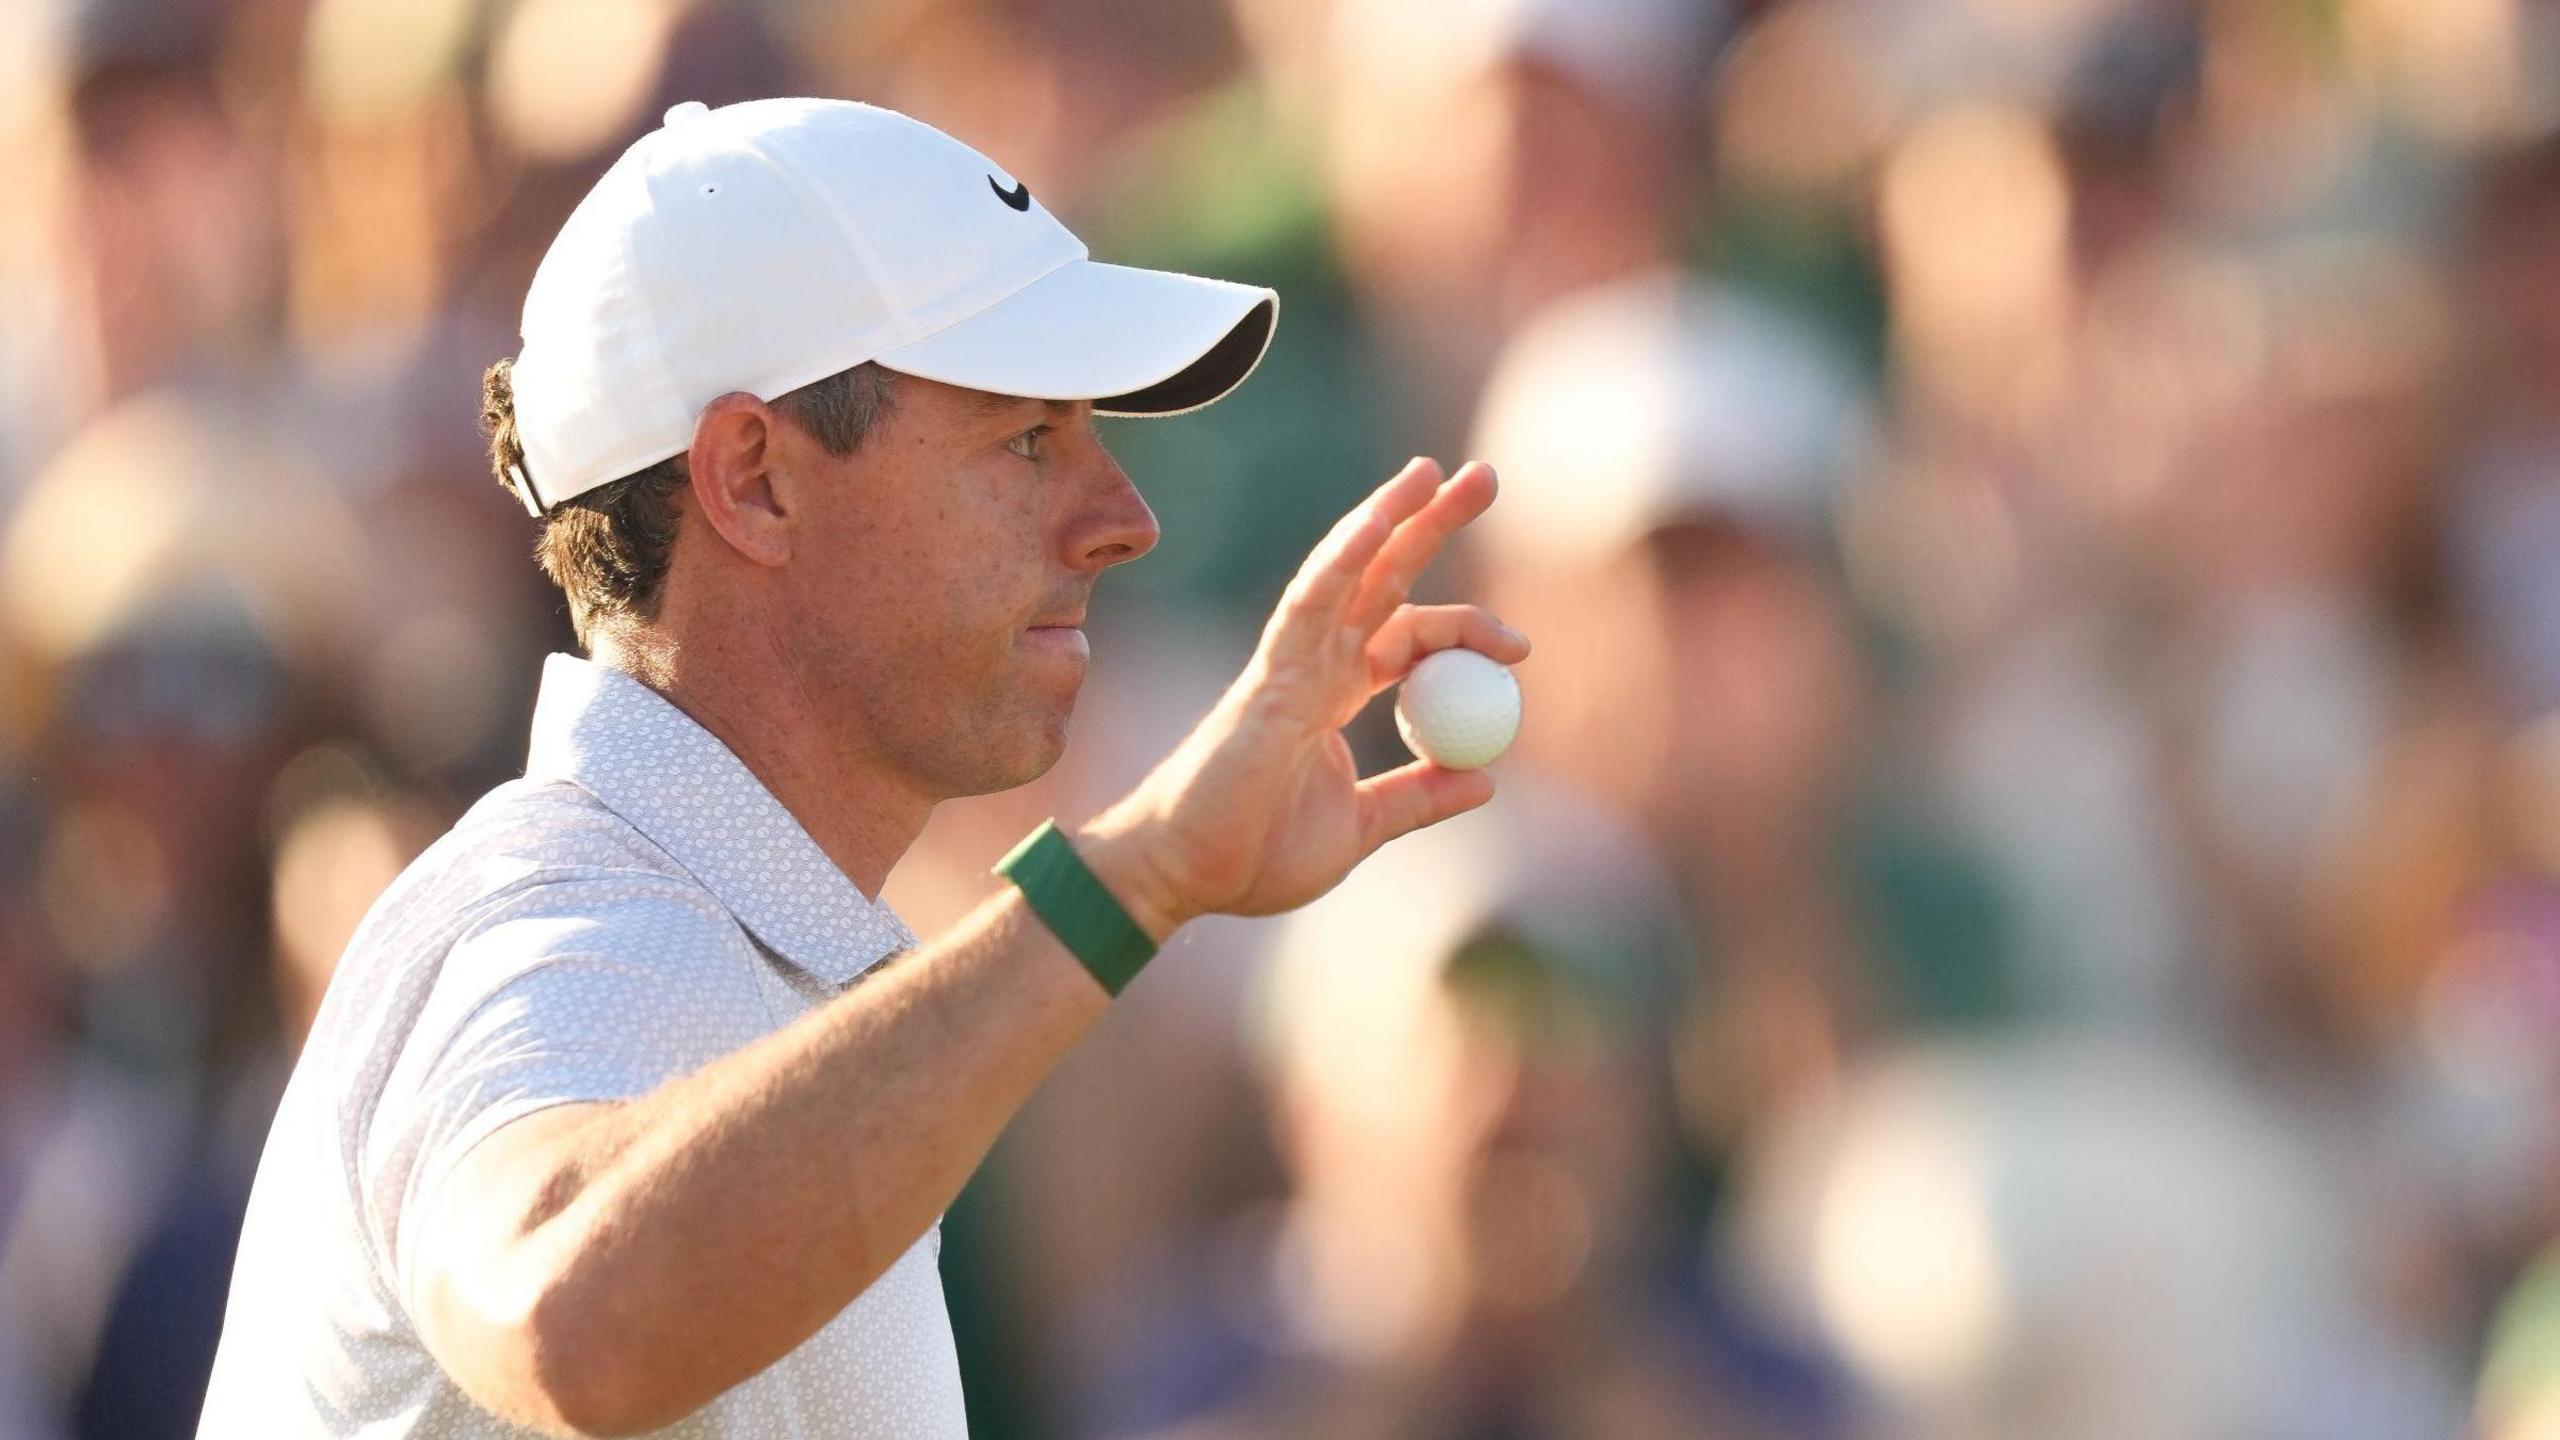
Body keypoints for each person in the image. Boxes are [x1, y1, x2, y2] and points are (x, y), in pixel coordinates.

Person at [195, 97, 1527, 1437]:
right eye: (1026, 440)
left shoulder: (712, 938)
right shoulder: (559, 918)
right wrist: (1135, 876)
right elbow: (567, 1323)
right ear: (754, 480)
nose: (1123, 519)